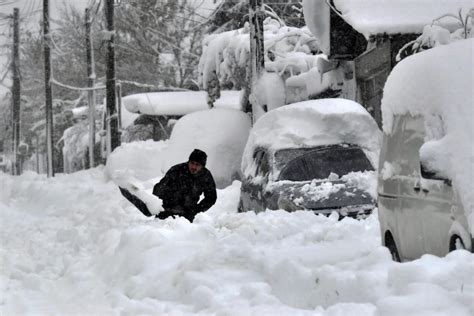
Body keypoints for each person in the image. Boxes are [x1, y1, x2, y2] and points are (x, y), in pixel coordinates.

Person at [119, 149, 217, 222]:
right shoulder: (177, 170)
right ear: (188, 161)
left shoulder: (206, 176)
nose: (194, 167)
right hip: (167, 210)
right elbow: (159, 188)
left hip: (187, 215)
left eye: (197, 165)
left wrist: (196, 210)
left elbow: (211, 198)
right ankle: (122, 184)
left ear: (202, 166)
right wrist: (160, 204)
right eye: (192, 163)